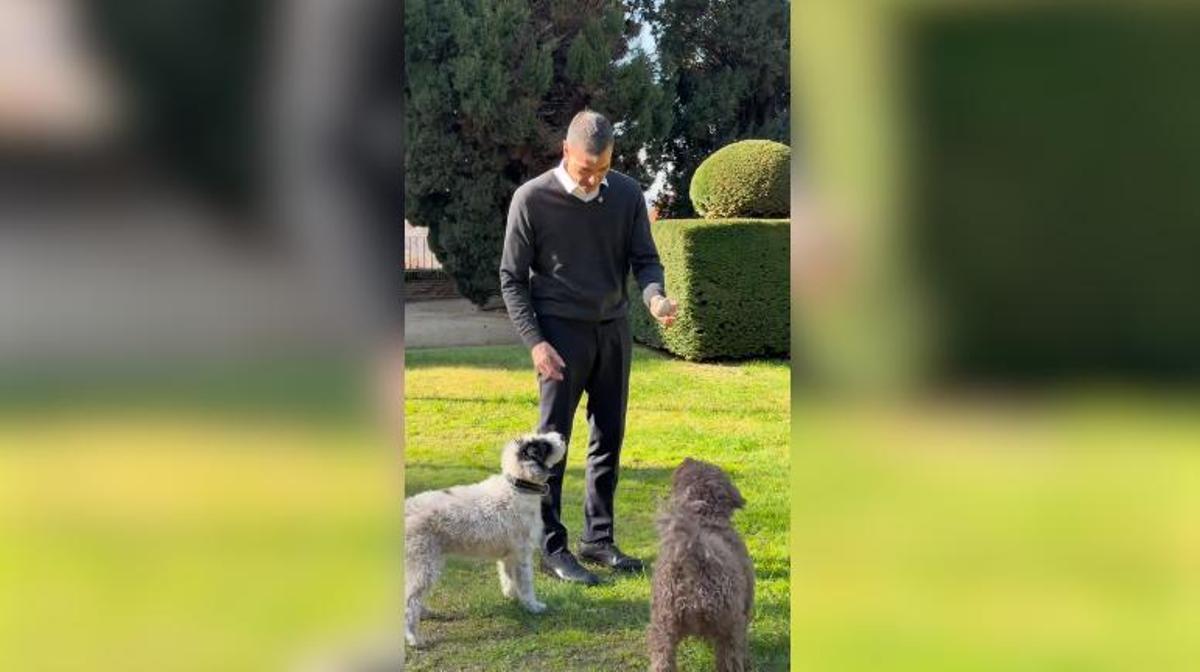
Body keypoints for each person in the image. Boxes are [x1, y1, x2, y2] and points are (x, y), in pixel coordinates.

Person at [499, 109, 678, 585]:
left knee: (608, 438)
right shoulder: (531, 198)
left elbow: (645, 260)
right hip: (558, 335)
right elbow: (512, 279)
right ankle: (551, 546)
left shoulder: (626, 194)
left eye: (603, 168)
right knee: (551, 446)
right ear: (566, 151)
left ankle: (599, 539)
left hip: (613, 330)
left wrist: (654, 297)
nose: (594, 179)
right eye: (585, 169)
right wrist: (536, 343)